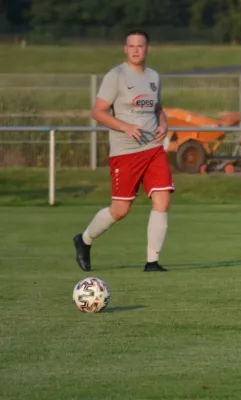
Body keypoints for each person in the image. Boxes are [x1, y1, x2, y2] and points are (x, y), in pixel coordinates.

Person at [73, 29, 173, 272]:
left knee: (163, 199)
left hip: (153, 149)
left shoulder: (153, 76)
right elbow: (98, 112)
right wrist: (125, 126)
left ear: (147, 49)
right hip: (125, 152)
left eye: (140, 45)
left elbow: (157, 107)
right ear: (125, 49)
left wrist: (164, 122)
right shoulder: (115, 75)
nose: (136, 49)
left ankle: (152, 262)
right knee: (120, 210)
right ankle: (84, 240)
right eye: (131, 46)